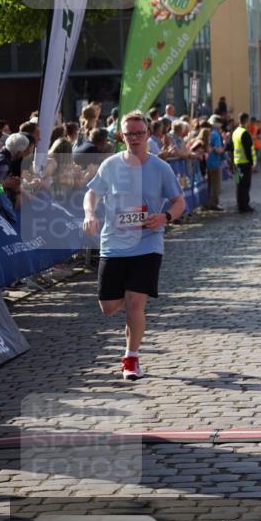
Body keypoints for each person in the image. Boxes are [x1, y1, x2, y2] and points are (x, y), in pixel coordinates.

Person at [82, 110, 185, 381]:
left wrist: (164, 217)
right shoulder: (110, 165)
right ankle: (130, 335)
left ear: (148, 134)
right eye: (130, 134)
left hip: (148, 243)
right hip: (114, 243)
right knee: (109, 307)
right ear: (122, 136)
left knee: (135, 302)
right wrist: (90, 214)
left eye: (140, 133)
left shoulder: (160, 168)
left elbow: (179, 202)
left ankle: (131, 358)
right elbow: (91, 193)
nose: (135, 138)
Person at [232, 112, 256, 213]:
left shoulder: (235, 132)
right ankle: (245, 206)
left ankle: (239, 205)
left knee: (238, 184)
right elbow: (248, 150)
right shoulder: (245, 133)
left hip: (236, 163)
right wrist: (252, 163)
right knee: (245, 185)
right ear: (246, 120)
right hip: (245, 163)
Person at [206, 114, 226, 211]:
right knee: (215, 185)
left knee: (209, 184)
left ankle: (208, 203)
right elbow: (218, 150)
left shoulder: (208, 132)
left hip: (207, 162)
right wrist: (224, 144)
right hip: (214, 162)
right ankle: (214, 203)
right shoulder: (216, 134)